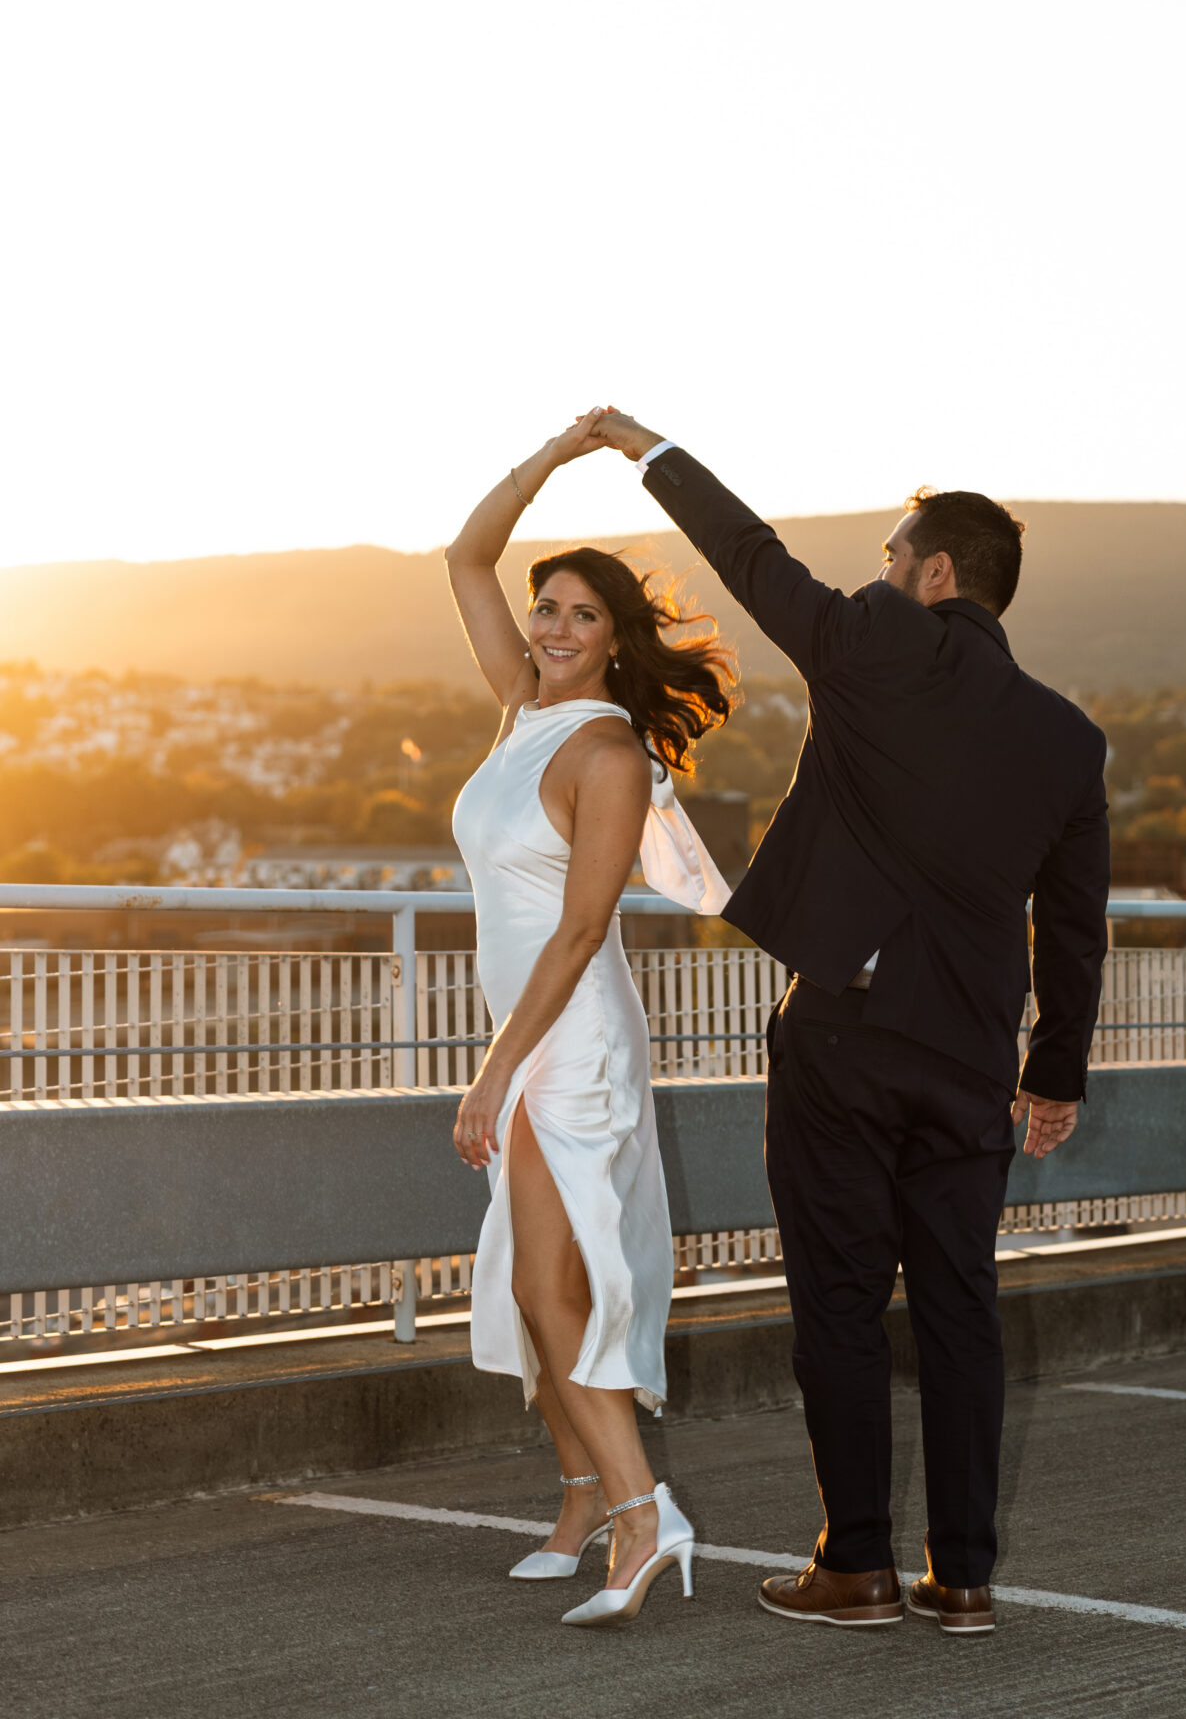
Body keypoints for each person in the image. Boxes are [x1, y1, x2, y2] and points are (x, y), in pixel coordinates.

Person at [588, 411, 1110, 1638]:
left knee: (837, 1299)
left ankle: (859, 1563)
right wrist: (1054, 1076)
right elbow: (1073, 929)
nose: (875, 572)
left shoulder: (882, 640)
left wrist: (652, 453)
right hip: (974, 1058)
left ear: (934, 574)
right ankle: (967, 1577)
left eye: (890, 554)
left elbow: (752, 560)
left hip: (847, 1036)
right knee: (959, 1309)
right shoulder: (1067, 737)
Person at [444, 409, 736, 1629]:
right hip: (530, 1031)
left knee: (563, 1288)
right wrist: (556, 458)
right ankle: (581, 1498)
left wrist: (489, 1072)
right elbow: (463, 557)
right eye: (547, 606)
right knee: (531, 1287)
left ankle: (641, 1510)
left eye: (580, 615)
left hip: (572, 1038)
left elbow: (575, 934)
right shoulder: (522, 704)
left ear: (617, 643)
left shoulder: (608, 751)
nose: (553, 629)